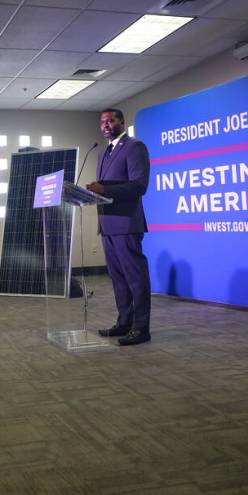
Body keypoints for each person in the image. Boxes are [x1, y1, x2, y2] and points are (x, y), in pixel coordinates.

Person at [86, 108, 152, 346]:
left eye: (110, 120)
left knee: (135, 278)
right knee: (117, 279)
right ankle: (124, 322)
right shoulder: (103, 152)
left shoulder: (135, 147)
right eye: (102, 121)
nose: (105, 125)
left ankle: (141, 328)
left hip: (126, 224)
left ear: (122, 122)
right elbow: (104, 188)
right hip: (107, 225)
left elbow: (139, 186)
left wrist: (104, 190)